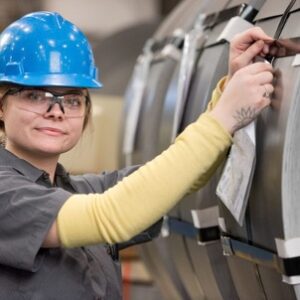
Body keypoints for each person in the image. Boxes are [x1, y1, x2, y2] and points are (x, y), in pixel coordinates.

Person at [0, 11, 274, 300]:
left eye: (71, 99)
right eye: (34, 95)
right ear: (2, 107)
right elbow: (110, 215)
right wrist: (223, 118)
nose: (56, 111)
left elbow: (178, 180)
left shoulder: (79, 191)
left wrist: (227, 91)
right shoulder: (7, 194)